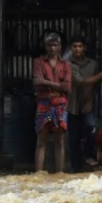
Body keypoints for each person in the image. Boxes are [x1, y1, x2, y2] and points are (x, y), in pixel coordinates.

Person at [66, 35, 102, 172]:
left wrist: (90, 101)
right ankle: (75, 168)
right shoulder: (67, 63)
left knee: (91, 128)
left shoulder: (93, 64)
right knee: (73, 138)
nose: (77, 49)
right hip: (71, 105)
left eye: (80, 46)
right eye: (74, 46)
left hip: (87, 104)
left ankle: (88, 156)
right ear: (71, 48)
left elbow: (95, 86)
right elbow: (81, 83)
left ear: (84, 48)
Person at [33, 33, 72, 173]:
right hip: (44, 103)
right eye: (49, 45)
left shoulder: (65, 65)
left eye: (55, 45)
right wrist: (57, 85)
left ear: (60, 47)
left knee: (60, 141)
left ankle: (60, 172)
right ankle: (38, 172)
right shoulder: (39, 62)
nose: (52, 48)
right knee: (41, 141)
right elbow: (37, 83)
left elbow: (67, 87)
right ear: (45, 46)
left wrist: (46, 82)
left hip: (60, 104)